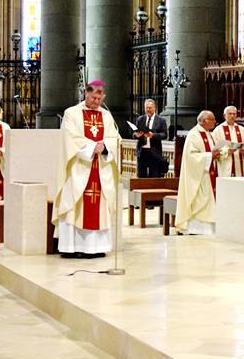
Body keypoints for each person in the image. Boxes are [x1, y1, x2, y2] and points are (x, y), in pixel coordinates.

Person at [52, 80, 121, 259]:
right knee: (74, 205)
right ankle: (72, 247)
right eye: (93, 98)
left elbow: (114, 137)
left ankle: (96, 247)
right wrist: (91, 147)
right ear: (86, 94)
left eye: (99, 98)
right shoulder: (71, 113)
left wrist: (104, 146)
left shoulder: (106, 116)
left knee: (99, 207)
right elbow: (70, 137)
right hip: (79, 168)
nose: (96, 102)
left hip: (100, 169)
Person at [175, 111, 219, 235]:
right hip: (198, 175)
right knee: (199, 199)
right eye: (212, 119)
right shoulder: (193, 135)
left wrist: (220, 153)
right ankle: (196, 228)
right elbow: (190, 157)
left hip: (209, 174)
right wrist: (210, 156)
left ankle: (211, 228)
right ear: (203, 121)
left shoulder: (210, 134)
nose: (215, 122)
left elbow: (213, 150)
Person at [212, 105, 244, 177]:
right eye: (230, 114)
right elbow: (214, 149)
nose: (232, 116)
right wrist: (226, 151)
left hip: (240, 166)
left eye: (234, 114)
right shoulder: (218, 130)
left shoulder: (242, 130)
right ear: (224, 115)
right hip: (225, 165)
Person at [134, 98, 168, 178]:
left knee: (154, 177)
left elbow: (165, 135)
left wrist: (153, 135)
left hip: (154, 153)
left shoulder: (161, 120)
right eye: (146, 108)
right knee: (141, 177)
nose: (148, 110)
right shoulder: (140, 119)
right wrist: (136, 135)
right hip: (142, 152)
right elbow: (134, 133)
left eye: (150, 108)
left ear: (154, 108)